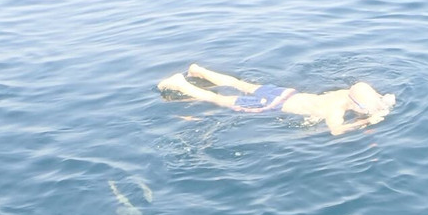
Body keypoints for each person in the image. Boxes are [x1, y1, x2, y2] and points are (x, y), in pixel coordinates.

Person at [157, 64, 396, 136]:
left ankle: (199, 71)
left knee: (242, 85)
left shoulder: (343, 94)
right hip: (273, 105)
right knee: (219, 101)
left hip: (285, 93)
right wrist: (366, 123)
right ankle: (179, 83)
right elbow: (336, 131)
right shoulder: (337, 108)